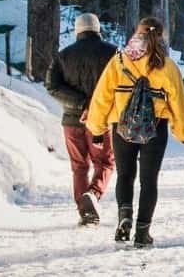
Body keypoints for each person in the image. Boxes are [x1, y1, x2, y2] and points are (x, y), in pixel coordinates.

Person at [85, 17, 184, 248]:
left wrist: (96, 128)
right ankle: (143, 232)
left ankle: (124, 217)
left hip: (121, 127)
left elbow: (102, 96)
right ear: (161, 36)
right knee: (149, 181)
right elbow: (179, 102)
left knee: (125, 175)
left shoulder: (119, 61)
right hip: (155, 128)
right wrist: (183, 132)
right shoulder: (166, 65)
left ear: (138, 33)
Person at [45, 13, 118, 226]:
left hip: (71, 120)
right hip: (101, 120)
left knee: (79, 166)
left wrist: (79, 103)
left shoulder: (63, 55)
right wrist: (95, 105)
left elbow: (52, 86)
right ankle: (93, 194)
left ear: (78, 31)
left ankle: (83, 210)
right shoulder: (113, 53)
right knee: (105, 162)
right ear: (97, 29)